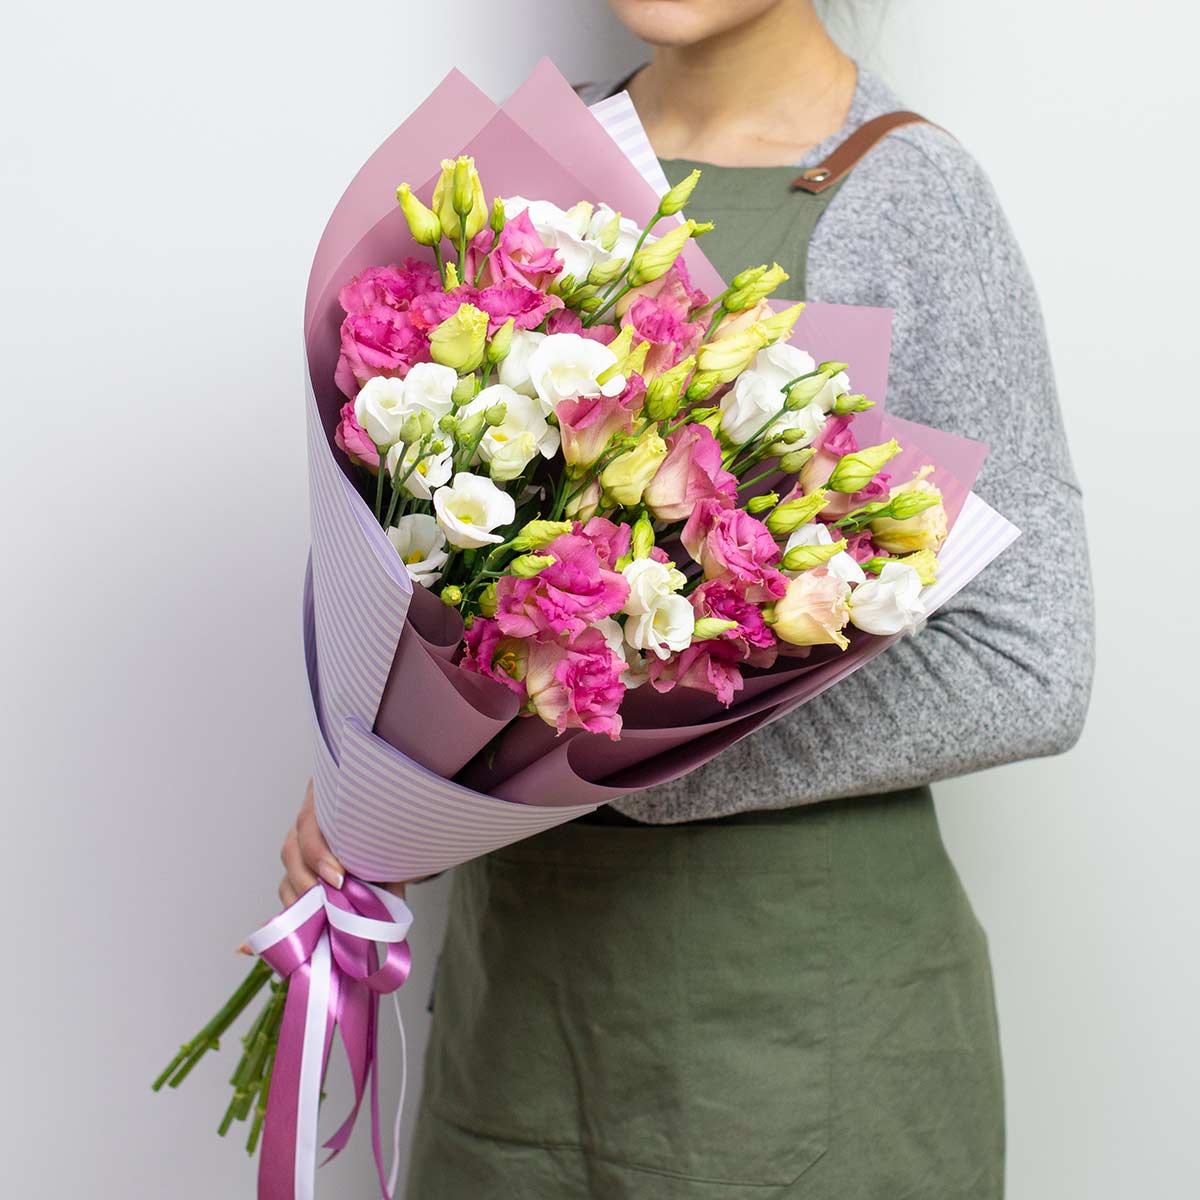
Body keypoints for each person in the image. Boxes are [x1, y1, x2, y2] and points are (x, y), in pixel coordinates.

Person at [278, 1, 1094, 1194]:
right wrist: (408, 786)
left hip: (797, 1058)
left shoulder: (907, 195)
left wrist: (607, 753)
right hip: (518, 1045)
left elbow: (1028, 662)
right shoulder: (527, 187)